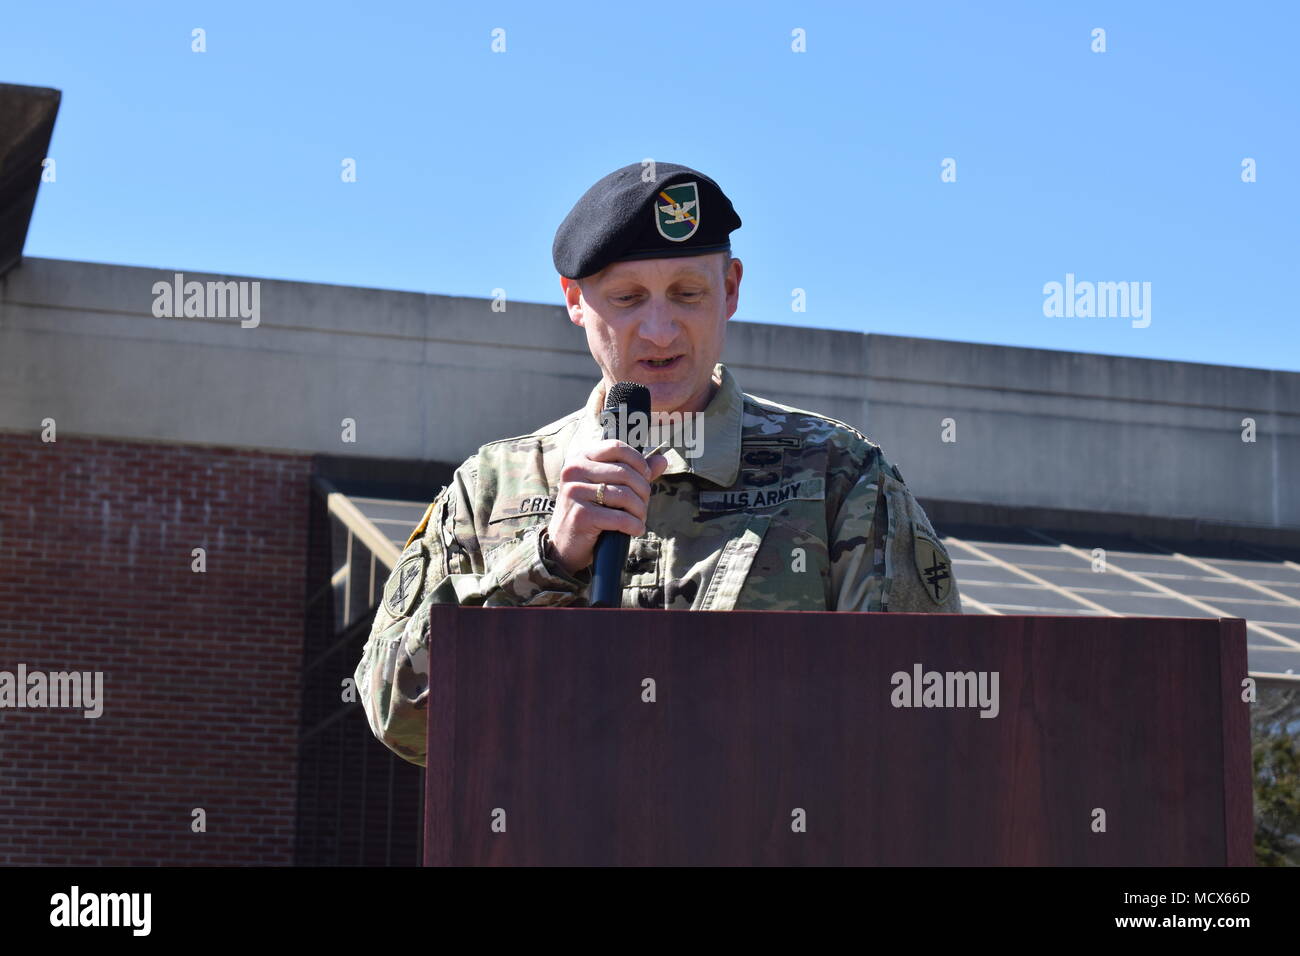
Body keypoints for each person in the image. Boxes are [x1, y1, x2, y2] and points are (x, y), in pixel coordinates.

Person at [355, 161, 962, 765]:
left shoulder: (839, 475)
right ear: (575, 300)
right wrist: (548, 561)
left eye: (687, 294)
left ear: (730, 290)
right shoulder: (491, 486)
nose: (660, 329)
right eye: (627, 298)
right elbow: (398, 718)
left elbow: (917, 722)